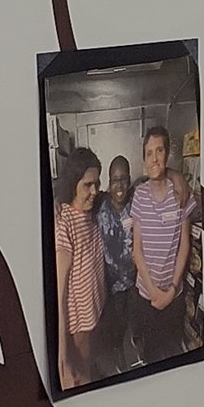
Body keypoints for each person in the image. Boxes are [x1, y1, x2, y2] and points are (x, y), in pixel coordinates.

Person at [128, 123, 196, 363]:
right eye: (149, 152)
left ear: (168, 155)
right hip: (147, 297)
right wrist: (155, 292)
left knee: (172, 358)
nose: (154, 158)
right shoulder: (139, 195)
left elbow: (184, 246)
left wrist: (173, 289)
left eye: (159, 150)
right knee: (150, 358)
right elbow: (137, 250)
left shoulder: (180, 194)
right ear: (144, 159)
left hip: (173, 297)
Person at [54, 146, 109, 390]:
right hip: (80, 327)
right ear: (74, 183)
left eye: (96, 183)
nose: (94, 191)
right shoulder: (64, 223)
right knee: (82, 381)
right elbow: (59, 293)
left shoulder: (91, 212)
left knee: (90, 370)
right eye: (87, 185)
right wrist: (61, 354)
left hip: (96, 315)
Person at [97, 155, 137, 375]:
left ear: (129, 179)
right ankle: (117, 350)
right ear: (108, 182)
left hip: (134, 281)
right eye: (114, 180)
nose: (119, 185)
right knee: (114, 325)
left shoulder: (137, 201)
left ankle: (128, 349)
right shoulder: (98, 207)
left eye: (123, 179)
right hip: (109, 286)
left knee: (132, 323)